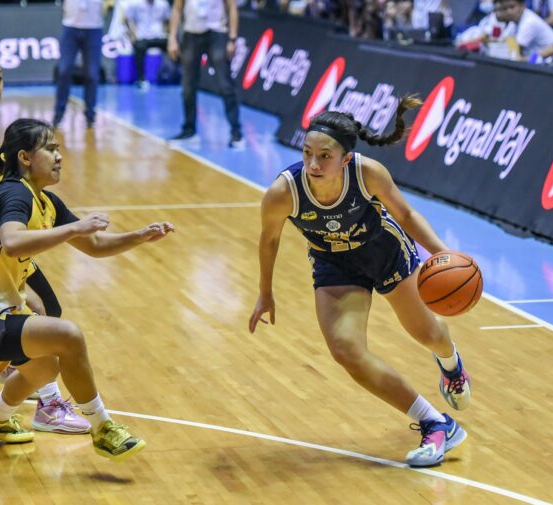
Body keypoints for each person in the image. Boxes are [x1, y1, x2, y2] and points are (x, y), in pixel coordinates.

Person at [248, 97, 471, 468]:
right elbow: (269, 239)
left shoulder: (368, 173)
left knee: (428, 333)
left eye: (324, 156)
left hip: (383, 250)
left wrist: (442, 253)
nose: (313, 164)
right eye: (306, 153)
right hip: (334, 263)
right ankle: (436, 422)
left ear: (346, 159)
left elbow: (406, 214)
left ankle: (451, 364)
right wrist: (265, 292)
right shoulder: (282, 192)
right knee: (345, 351)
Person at [0, 118, 175, 456]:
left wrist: (139, 236)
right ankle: (103, 428)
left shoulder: (46, 201)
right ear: (25, 157)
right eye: (50, 148)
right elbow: (12, 241)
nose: (59, 156)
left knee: (46, 366)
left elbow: (95, 245)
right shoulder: (14, 193)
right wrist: (74, 229)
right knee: (68, 336)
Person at [0, 50, 90, 435]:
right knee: (27, 314)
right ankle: (46, 399)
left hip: (2, 232)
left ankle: (27, 383)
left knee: (48, 308)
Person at [167, 0, 244, 148]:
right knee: (188, 87)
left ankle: (236, 132)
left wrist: (232, 38)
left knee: (225, 85)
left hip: (217, 33)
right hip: (191, 34)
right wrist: (172, 38)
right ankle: (189, 130)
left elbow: (232, 6)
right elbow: (177, 8)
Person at [53, 0, 105, 129]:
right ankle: (59, 113)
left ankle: (90, 115)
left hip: (94, 28)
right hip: (71, 27)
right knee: (64, 70)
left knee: (92, 74)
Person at [123, 0, 172, 90]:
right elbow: (126, 18)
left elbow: (168, 20)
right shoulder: (135, 4)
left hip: (159, 36)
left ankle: (175, 75)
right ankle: (141, 79)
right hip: (142, 37)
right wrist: (132, 35)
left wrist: (168, 34)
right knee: (138, 47)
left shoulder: (163, 4)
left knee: (173, 46)